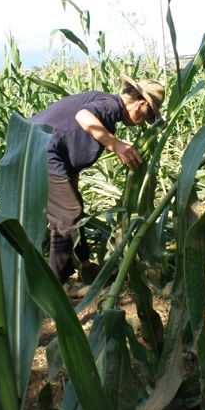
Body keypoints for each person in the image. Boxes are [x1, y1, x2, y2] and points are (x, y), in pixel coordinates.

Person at [30, 74, 165, 289]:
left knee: (74, 209)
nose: (143, 122)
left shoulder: (103, 105)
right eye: (148, 115)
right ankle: (55, 288)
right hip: (42, 152)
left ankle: (84, 265)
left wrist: (71, 188)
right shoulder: (111, 105)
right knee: (67, 216)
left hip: (39, 149)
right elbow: (83, 116)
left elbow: (70, 144)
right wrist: (116, 145)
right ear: (142, 104)